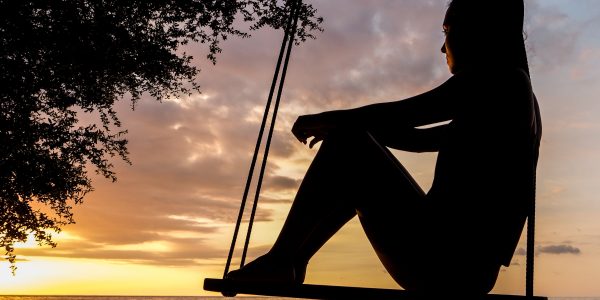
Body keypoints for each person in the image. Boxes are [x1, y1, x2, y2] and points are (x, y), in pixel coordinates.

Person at [227, 0, 542, 295]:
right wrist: (352, 129)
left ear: (478, 29)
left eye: (447, 31)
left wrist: (331, 121)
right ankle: (293, 261)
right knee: (351, 145)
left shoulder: (501, 81)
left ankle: (283, 259)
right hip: (461, 267)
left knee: (348, 144)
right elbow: (419, 140)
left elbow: (412, 112)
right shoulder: (508, 97)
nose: (442, 46)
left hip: (445, 262)